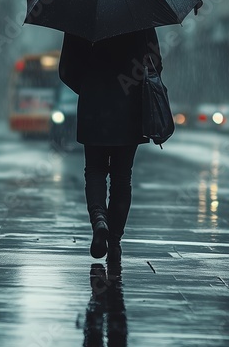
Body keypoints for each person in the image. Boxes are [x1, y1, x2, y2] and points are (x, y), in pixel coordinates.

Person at [59, 28, 161, 261]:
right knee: (122, 176)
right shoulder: (139, 14)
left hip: (93, 108)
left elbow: (66, 70)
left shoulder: (81, 15)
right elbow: (155, 61)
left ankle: (99, 221)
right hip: (129, 109)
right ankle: (114, 241)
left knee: (94, 170)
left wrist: (89, 88)